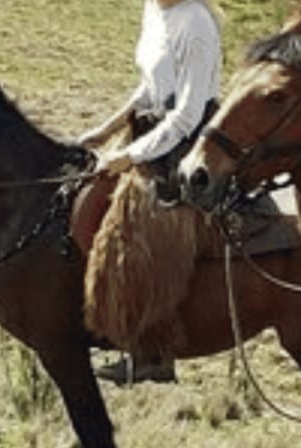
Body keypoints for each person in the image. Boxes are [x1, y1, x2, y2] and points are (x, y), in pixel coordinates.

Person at [80, 0, 224, 384]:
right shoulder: (154, 9)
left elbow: (188, 114)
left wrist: (129, 155)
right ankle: (105, 321)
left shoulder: (196, 25)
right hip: (150, 131)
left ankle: (153, 353)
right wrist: (106, 131)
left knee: (147, 223)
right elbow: (149, 87)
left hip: (189, 145)